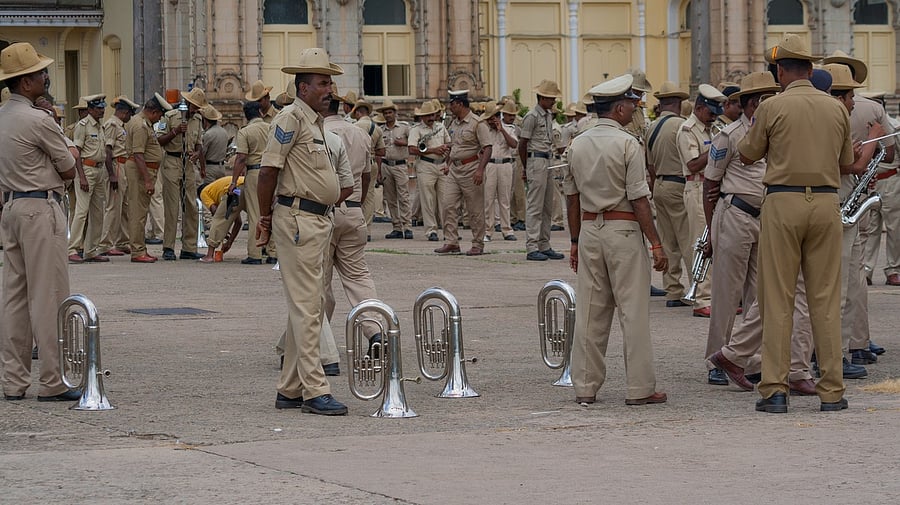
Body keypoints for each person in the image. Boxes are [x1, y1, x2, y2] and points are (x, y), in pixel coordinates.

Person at [738, 34, 880, 413]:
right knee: (825, 299)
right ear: (812, 69)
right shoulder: (836, 108)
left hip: (783, 202)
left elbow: (748, 153)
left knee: (779, 298)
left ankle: (774, 389)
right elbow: (845, 158)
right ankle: (832, 390)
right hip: (825, 202)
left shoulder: (772, 106)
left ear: (782, 70)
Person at [256, 47, 354, 415]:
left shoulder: (314, 121)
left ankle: (290, 388)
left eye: (329, 82)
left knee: (307, 305)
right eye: (323, 83)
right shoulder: (290, 118)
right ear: (303, 87)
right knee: (307, 308)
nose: (330, 89)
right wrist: (264, 220)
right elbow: (268, 172)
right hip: (297, 219)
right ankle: (315, 389)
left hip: (317, 220)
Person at [561, 73, 668, 406]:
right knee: (632, 311)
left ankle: (585, 387)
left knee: (591, 312)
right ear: (620, 108)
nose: (634, 112)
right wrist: (656, 242)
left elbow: (572, 198)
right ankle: (639, 388)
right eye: (632, 106)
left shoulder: (577, 143)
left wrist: (576, 241)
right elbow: (638, 199)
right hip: (623, 230)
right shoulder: (627, 143)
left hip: (591, 231)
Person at [0, 42, 79, 402]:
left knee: (14, 297)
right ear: (26, 83)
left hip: (12, 208)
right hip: (40, 207)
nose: (45, 76)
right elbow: (68, 166)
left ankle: (13, 381)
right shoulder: (38, 120)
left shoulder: (3, 117)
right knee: (48, 296)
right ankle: (53, 379)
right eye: (39, 73)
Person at [702, 72, 777, 387]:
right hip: (735, 214)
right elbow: (710, 182)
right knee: (726, 292)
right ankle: (716, 358)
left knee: (759, 294)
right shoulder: (729, 135)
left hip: (765, 217)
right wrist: (711, 231)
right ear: (754, 103)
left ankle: (748, 360)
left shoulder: (775, 132)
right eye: (767, 98)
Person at [676, 84, 726, 318]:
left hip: (710, 188)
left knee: (713, 240)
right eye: (711, 112)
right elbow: (693, 164)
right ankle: (701, 299)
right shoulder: (687, 130)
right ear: (698, 108)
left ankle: (712, 296)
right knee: (702, 242)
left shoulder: (710, 127)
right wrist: (718, 147)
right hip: (696, 187)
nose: (714, 116)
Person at [434, 89, 492, 256]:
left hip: (472, 168)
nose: (449, 107)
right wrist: (448, 164)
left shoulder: (477, 123)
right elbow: (456, 147)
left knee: (475, 209)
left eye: (452, 104)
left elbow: (487, 148)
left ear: (460, 104)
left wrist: (480, 170)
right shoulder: (453, 123)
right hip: (454, 169)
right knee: (448, 205)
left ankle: (477, 244)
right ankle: (451, 241)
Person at [519, 80, 565, 261]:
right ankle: (531, 247)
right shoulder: (531, 116)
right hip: (536, 160)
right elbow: (522, 143)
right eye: (551, 98)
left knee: (547, 206)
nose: (554, 101)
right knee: (535, 206)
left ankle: (544, 244)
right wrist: (526, 166)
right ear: (542, 98)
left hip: (547, 159)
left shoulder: (547, 115)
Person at [156, 88, 203, 262]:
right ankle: (168, 246)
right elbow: (159, 140)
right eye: (194, 107)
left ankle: (189, 247)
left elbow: (199, 144)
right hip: (172, 161)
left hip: (188, 164)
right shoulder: (169, 117)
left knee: (190, 205)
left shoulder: (197, 120)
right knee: (172, 206)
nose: (195, 111)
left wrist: (197, 154)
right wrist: (175, 131)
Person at [68, 93, 114, 263]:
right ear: (90, 109)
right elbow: (76, 154)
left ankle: (91, 250)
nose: (102, 111)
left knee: (98, 212)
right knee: (81, 211)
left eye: (103, 108)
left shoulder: (100, 127)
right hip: (86, 170)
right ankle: (72, 248)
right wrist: (81, 177)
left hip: (99, 170)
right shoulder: (83, 125)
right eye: (98, 108)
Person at [98, 96, 139, 257]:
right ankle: (106, 243)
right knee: (113, 207)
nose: (130, 117)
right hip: (116, 166)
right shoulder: (112, 125)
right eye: (129, 114)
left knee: (124, 207)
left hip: (124, 165)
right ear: (123, 112)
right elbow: (108, 151)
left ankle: (122, 241)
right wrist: (112, 175)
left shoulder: (121, 125)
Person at [230, 101, 270, 264]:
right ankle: (273, 251)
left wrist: (234, 181)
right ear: (260, 112)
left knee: (255, 213)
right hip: (272, 172)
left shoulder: (245, 132)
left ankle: (255, 253)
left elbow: (241, 158)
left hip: (254, 173)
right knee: (270, 212)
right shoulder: (271, 127)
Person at [408, 99, 451, 242]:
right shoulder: (416, 130)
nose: (431, 118)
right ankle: (431, 230)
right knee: (428, 200)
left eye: (433, 115)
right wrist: (433, 150)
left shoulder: (440, 127)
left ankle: (448, 230)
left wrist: (446, 149)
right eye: (428, 115)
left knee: (445, 200)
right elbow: (412, 149)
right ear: (422, 117)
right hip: (426, 166)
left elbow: (449, 142)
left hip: (442, 165)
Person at [481, 100, 518, 242]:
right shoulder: (484, 130)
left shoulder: (508, 128)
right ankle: (488, 230)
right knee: (488, 199)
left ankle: (507, 229)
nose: (491, 121)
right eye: (489, 119)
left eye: (494, 118)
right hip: (489, 164)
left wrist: (501, 129)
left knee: (504, 199)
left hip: (505, 164)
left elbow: (514, 144)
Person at [377, 98, 413, 239]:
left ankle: (407, 226)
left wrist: (402, 142)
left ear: (395, 113)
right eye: (385, 113)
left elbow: (414, 144)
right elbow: (379, 151)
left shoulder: (404, 127)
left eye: (390, 112)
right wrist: (379, 170)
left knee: (403, 196)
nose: (388, 115)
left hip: (400, 165)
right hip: (386, 164)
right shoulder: (381, 130)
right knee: (390, 197)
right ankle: (396, 226)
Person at [198, 175, 245, 263]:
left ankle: (209, 255)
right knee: (257, 217)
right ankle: (269, 254)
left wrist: (222, 230)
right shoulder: (217, 188)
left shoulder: (204, 192)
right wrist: (229, 242)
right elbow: (238, 222)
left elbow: (216, 213)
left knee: (218, 220)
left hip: (235, 189)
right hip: (247, 184)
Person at [200, 104, 228, 184]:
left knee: (209, 193)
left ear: (205, 120)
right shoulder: (224, 132)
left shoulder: (208, 134)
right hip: (222, 167)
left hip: (210, 169)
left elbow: (203, 153)